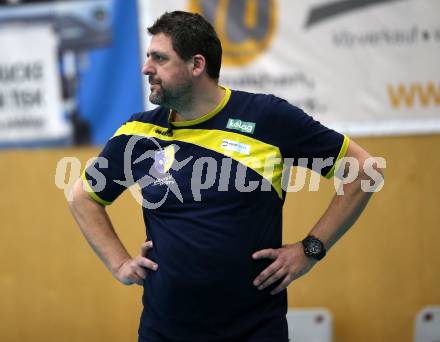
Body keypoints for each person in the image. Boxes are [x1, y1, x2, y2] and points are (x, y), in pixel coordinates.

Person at [69, 11, 383, 342]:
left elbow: (364, 170)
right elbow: (83, 196)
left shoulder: (267, 118)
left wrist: (311, 248)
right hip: (164, 332)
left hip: (254, 331)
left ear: (196, 65)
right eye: (149, 57)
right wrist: (119, 265)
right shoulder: (138, 131)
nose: (147, 68)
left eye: (160, 59)